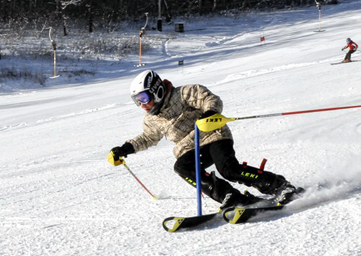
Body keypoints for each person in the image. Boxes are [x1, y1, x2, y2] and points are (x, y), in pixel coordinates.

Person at [107, 69, 301, 210]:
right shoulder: (152, 118)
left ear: (156, 90)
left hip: (212, 134)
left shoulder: (183, 93)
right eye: (137, 101)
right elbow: (148, 137)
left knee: (228, 169)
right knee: (182, 167)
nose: (142, 104)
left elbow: (211, 99)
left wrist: (209, 113)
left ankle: (279, 186)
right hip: (189, 147)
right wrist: (124, 149)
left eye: (143, 97)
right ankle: (230, 196)